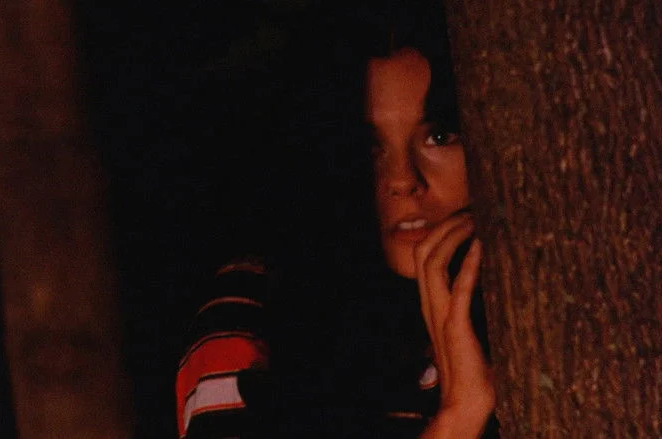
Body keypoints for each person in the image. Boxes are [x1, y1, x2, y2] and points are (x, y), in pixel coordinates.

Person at [174, 2, 497, 437]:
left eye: (438, 136)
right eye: (371, 147)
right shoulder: (255, 308)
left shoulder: (516, 303)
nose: (403, 180)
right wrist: (459, 416)